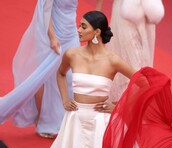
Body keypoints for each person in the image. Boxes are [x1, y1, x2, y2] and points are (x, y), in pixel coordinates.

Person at [5, 10, 165, 148]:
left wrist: (119, 106)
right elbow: (61, 74)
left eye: (83, 26)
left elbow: (143, 83)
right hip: (75, 119)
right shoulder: (72, 54)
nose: (78, 30)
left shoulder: (112, 60)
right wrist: (65, 98)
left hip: (102, 122)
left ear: (96, 32)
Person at [0, 0, 103, 138]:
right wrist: (52, 38)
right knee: (45, 78)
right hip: (51, 35)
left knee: (70, 76)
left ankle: (65, 120)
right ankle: (43, 121)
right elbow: (44, 11)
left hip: (70, 32)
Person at [103, 0, 165, 102]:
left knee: (142, 58)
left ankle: (132, 103)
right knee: (128, 56)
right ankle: (121, 102)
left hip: (145, 15)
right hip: (124, 17)